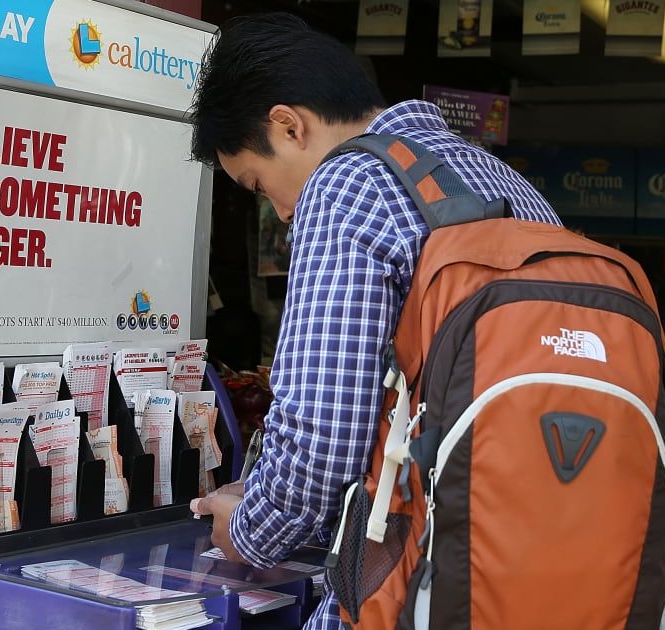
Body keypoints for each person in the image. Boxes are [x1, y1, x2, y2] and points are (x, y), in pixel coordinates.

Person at [185, 12, 560, 628]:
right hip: (534, 568)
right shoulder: (504, 181)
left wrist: (247, 528)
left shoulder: (348, 183)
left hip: (421, 584)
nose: (279, 211)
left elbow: (321, 445)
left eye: (257, 183)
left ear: (288, 125)